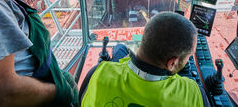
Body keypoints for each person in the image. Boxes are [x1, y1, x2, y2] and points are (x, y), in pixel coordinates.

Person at [81, 12, 210, 107]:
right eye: (189, 56)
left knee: (120, 48)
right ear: (171, 63)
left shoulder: (97, 73)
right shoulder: (194, 95)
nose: (188, 59)